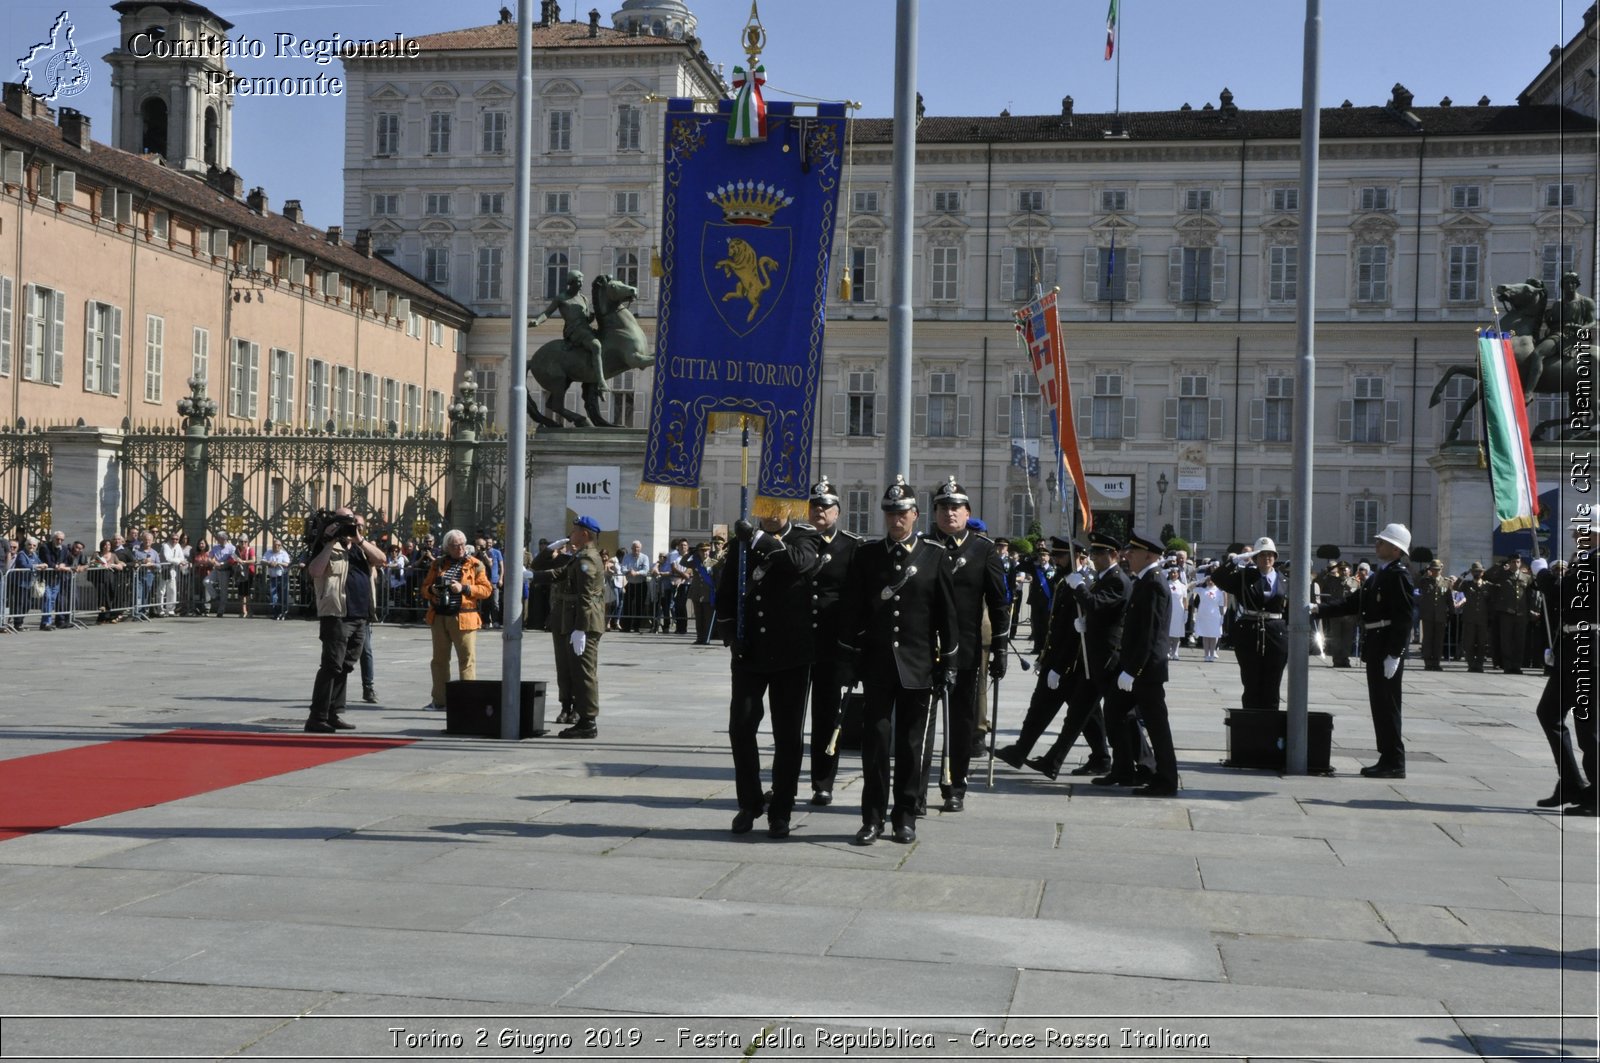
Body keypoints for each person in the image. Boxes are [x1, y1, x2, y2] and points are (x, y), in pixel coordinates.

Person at [837, 476, 958, 845]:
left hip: (918, 665)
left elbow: (947, 616)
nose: (895, 520)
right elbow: (853, 611)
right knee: (875, 744)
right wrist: (848, 658)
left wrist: (949, 663)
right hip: (876, 665)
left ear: (915, 516)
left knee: (909, 746)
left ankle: (905, 817)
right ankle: (871, 818)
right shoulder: (868, 556)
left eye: (902, 513)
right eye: (890, 513)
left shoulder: (934, 556)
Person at [715, 511, 822, 837]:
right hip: (752, 652)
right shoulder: (740, 544)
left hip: (790, 654)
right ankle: (749, 803)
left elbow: (797, 563)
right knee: (740, 728)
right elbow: (727, 590)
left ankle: (781, 809)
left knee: (787, 737)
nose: (772, 513)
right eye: (766, 505)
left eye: (779, 506)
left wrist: (758, 539)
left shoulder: (805, 538)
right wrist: (731, 635)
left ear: (789, 509)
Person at [924, 478, 1009, 812]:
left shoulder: (982, 549)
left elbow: (999, 602)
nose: (949, 513)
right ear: (934, 512)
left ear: (967, 512)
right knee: (922, 723)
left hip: (966, 648)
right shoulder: (924, 544)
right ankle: (916, 788)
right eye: (943, 507)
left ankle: (954, 784)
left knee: (960, 722)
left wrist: (1000, 647)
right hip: (926, 647)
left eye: (956, 507)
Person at [994, 535, 1108, 780]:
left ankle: (1099, 756)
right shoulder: (1064, 580)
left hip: (1070, 661)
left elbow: (1075, 631)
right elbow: (1055, 625)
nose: (1056, 560)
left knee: (1072, 710)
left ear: (1077, 556)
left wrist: (1059, 665)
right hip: (1056, 657)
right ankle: (1023, 749)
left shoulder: (1082, 582)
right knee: (1073, 711)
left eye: (1061, 555)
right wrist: (1044, 655)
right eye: (1055, 555)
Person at [1313, 522, 1415, 778]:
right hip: (1377, 644)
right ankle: (1387, 756)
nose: (1376, 544)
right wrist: (1319, 609)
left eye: (1381, 542)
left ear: (1394, 549)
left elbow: (1404, 618)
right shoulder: (1381, 574)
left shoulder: (1398, 575)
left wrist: (1395, 653)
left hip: (1385, 647)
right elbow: (1354, 602)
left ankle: (1394, 760)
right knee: (1379, 705)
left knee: (1388, 705)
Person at [1100, 528, 1179, 797]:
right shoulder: (1144, 580)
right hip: (1135, 668)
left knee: (1157, 726)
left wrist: (1133, 671)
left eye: (1132, 552)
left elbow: (1151, 634)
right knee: (1113, 712)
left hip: (1146, 671)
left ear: (1148, 555)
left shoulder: (1154, 582)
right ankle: (1125, 769)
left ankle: (1166, 780)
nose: (1127, 555)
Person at [803, 478, 862, 806]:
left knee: (826, 716)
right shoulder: (797, 541)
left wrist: (852, 646)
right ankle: (785, 780)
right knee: (791, 717)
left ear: (837, 512)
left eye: (825, 507)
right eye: (814, 506)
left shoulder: (850, 547)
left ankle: (822, 782)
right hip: (797, 642)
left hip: (831, 644)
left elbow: (855, 599)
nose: (819, 511)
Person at [1531, 527, 1596, 815]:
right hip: (1572, 647)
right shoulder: (1585, 560)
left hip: (1587, 651)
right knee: (1548, 713)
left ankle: (1596, 795)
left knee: (1588, 728)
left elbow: (1564, 594)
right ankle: (1571, 782)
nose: (1574, 537)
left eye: (1581, 532)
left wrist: (1543, 575)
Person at [304, 507, 385, 733]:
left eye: (351, 521)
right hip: (337, 615)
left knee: (346, 666)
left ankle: (333, 713)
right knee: (331, 666)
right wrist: (329, 542)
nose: (348, 525)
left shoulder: (360, 548)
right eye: (343, 521)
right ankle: (316, 717)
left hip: (361, 615)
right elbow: (315, 571)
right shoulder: (324, 545)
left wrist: (360, 540)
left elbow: (382, 559)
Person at [530, 515, 608, 738]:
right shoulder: (580, 556)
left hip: (583, 621)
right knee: (575, 670)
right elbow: (558, 573)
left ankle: (587, 722)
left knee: (584, 673)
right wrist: (532, 575)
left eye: (574, 530)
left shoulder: (588, 559)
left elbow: (586, 596)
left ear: (584, 534)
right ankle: (582, 718)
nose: (570, 534)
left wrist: (581, 628)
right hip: (573, 619)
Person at [1211, 537, 1289, 712]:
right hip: (1249, 632)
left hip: (1277, 635)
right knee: (1251, 682)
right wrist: (1235, 560)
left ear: (1275, 558)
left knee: (1273, 683)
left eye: (1270, 555)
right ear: (1255, 557)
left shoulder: (1285, 580)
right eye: (1262, 555)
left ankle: (1270, 725)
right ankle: (1251, 724)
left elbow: (1289, 612)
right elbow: (1217, 577)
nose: (1266, 558)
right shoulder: (1244, 577)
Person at [420, 529, 492, 712]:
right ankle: (440, 701)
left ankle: (467, 702)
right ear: (447, 547)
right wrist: (433, 591)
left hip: (464, 617)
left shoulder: (475, 564)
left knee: (466, 660)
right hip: (439, 617)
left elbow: (486, 590)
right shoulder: (437, 564)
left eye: (461, 544)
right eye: (454, 545)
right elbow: (425, 587)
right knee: (439, 661)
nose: (459, 548)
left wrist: (464, 588)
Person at [533, 268, 605, 398]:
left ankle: (594, 382)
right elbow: (547, 313)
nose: (581, 284)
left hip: (586, 329)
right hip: (574, 331)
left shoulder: (583, 298)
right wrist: (537, 321)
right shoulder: (561, 298)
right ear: (571, 282)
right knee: (596, 346)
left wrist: (592, 317)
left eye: (582, 281)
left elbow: (587, 317)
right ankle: (601, 382)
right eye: (578, 281)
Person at [1494, 556, 1534, 674]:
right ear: (1509, 563)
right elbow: (1488, 576)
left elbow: (1530, 595)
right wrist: (1499, 566)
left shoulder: (1526, 577)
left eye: (1518, 562)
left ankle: (1516, 666)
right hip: (1507, 613)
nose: (1515, 564)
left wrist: (1530, 610)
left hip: (1521, 614)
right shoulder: (1503, 575)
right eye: (1513, 562)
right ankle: (1507, 665)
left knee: (1519, 641)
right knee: (1506, 641)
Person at [1415, 560, 1454, 670]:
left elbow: (1449, 600)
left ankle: (1436, 662)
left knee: (1438, 640)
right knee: (1427, 640)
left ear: (1441, 570)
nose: (1436, 572)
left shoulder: (1446, 582)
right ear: (1430, 570)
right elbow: (1416, 582)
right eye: (1433, 569)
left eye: (1437, 570)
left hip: (1440, 616)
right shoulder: (1425, 581)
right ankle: (1428, 662)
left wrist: (1452, 612)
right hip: (1428, 615)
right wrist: (1424, 573)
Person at [1456, 562, 1491, 672]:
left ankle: (1479, 665)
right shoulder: (1467, 584)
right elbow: (1455, 587)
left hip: (1482, 619)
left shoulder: (1487, 585)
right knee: (1469, 643)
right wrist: (1463, 575)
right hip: (1469, 618)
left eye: (1479, 571)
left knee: (1482, 643)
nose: (1477, 573)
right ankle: (1471, 664)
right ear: (1471, 572)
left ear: (1483, 572)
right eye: (1475, 571)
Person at [685, 542, 717, 643]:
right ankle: (699, 638)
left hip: (708, 594)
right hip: (697, 593)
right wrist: (690, 553)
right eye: (702, 550)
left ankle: (707, 638)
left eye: (706, 550)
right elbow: (683, 562)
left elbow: (718, 577)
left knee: (708, 618)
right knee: (699, 618)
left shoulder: (714, 563)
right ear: (698, 552)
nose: (705, 553)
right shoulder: (695, 563)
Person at [619, 540, 651, 632]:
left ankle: (636, 626)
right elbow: (623, 568)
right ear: (631, 548)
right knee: (627, 605)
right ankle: (626, 626)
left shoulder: (644, 557)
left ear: (640, 548)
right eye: (634, 547)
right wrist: (629, 571)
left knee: (639, 606)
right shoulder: (627, 557)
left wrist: (636, 573)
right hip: (630, 584)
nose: (636, 549)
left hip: (641, 584)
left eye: (637, 547)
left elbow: (646, 570)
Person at [1192, 574, 1225, 662]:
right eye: (1208, 580)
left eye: (1212, 580)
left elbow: (1221, 605)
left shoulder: (1219, 592)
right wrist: (1200, 581)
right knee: (1205, 636)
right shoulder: (1202, 590)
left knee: (1213, 636)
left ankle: (1212, 654)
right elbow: (1189, 587)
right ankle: (1206, 655)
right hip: (1203, 615)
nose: (1210, 582)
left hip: (1214, 616)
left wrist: (1222, 616)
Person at [1164, 565, 1188, 660]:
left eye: (1175, 573)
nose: (1173, 574)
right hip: (1168, 610)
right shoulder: (1166, 584)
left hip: (1179, 611)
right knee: (1168, 632)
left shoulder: (1182, 586)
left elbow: (1185, 600)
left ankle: (1175, 651)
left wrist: (1186, 612)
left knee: (1177, 633)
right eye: (1171, 573)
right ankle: (1167, 651)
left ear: (1178, 574)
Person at [234, 537, 257, 618]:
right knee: (241, 593)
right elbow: (232, 558)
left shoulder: (250, 549)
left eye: (245, 541)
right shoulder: (237, 550)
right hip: (240, 573)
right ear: (239, 542)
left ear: (248, 542)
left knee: (247, 593)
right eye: (241, 542)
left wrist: (243, 562)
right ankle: (243, 610)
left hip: (249, 573)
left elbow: (253, 560)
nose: (243, 543)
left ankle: (248, 610)